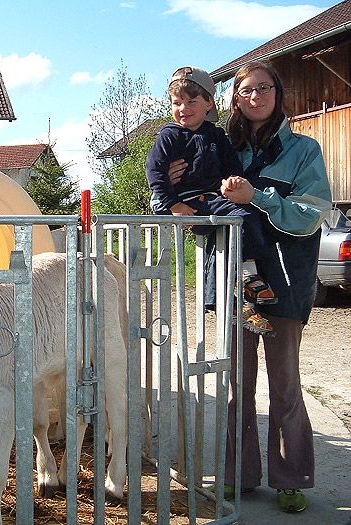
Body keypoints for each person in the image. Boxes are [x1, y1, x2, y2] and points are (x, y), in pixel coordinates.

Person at [171, 61, 331, 512]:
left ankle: (290, 478)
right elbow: (189, 202)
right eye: (246, 89)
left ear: (277, 95)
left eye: (264, 88)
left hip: (283, 281)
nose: (256, 95)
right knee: (235, 385)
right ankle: (238, 475)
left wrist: (256, 197)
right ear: (234, 98)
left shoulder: (303, 150)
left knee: (284, 386)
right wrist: (176, 188)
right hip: (230, 283)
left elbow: (311, 214)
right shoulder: (219, 146)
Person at [147, 66, 277, 336]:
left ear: (209, 103)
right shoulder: (169, 135)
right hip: (186, 204)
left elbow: (231, 168)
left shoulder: (216, 136)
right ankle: (233, 289)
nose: (183, 108)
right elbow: (155, 173)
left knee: (244, 218)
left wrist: (235, 182)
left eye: (191, 101)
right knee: (230, 224)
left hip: (213, 200)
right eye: (177, 102)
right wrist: (174, 205)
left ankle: (243, 280)